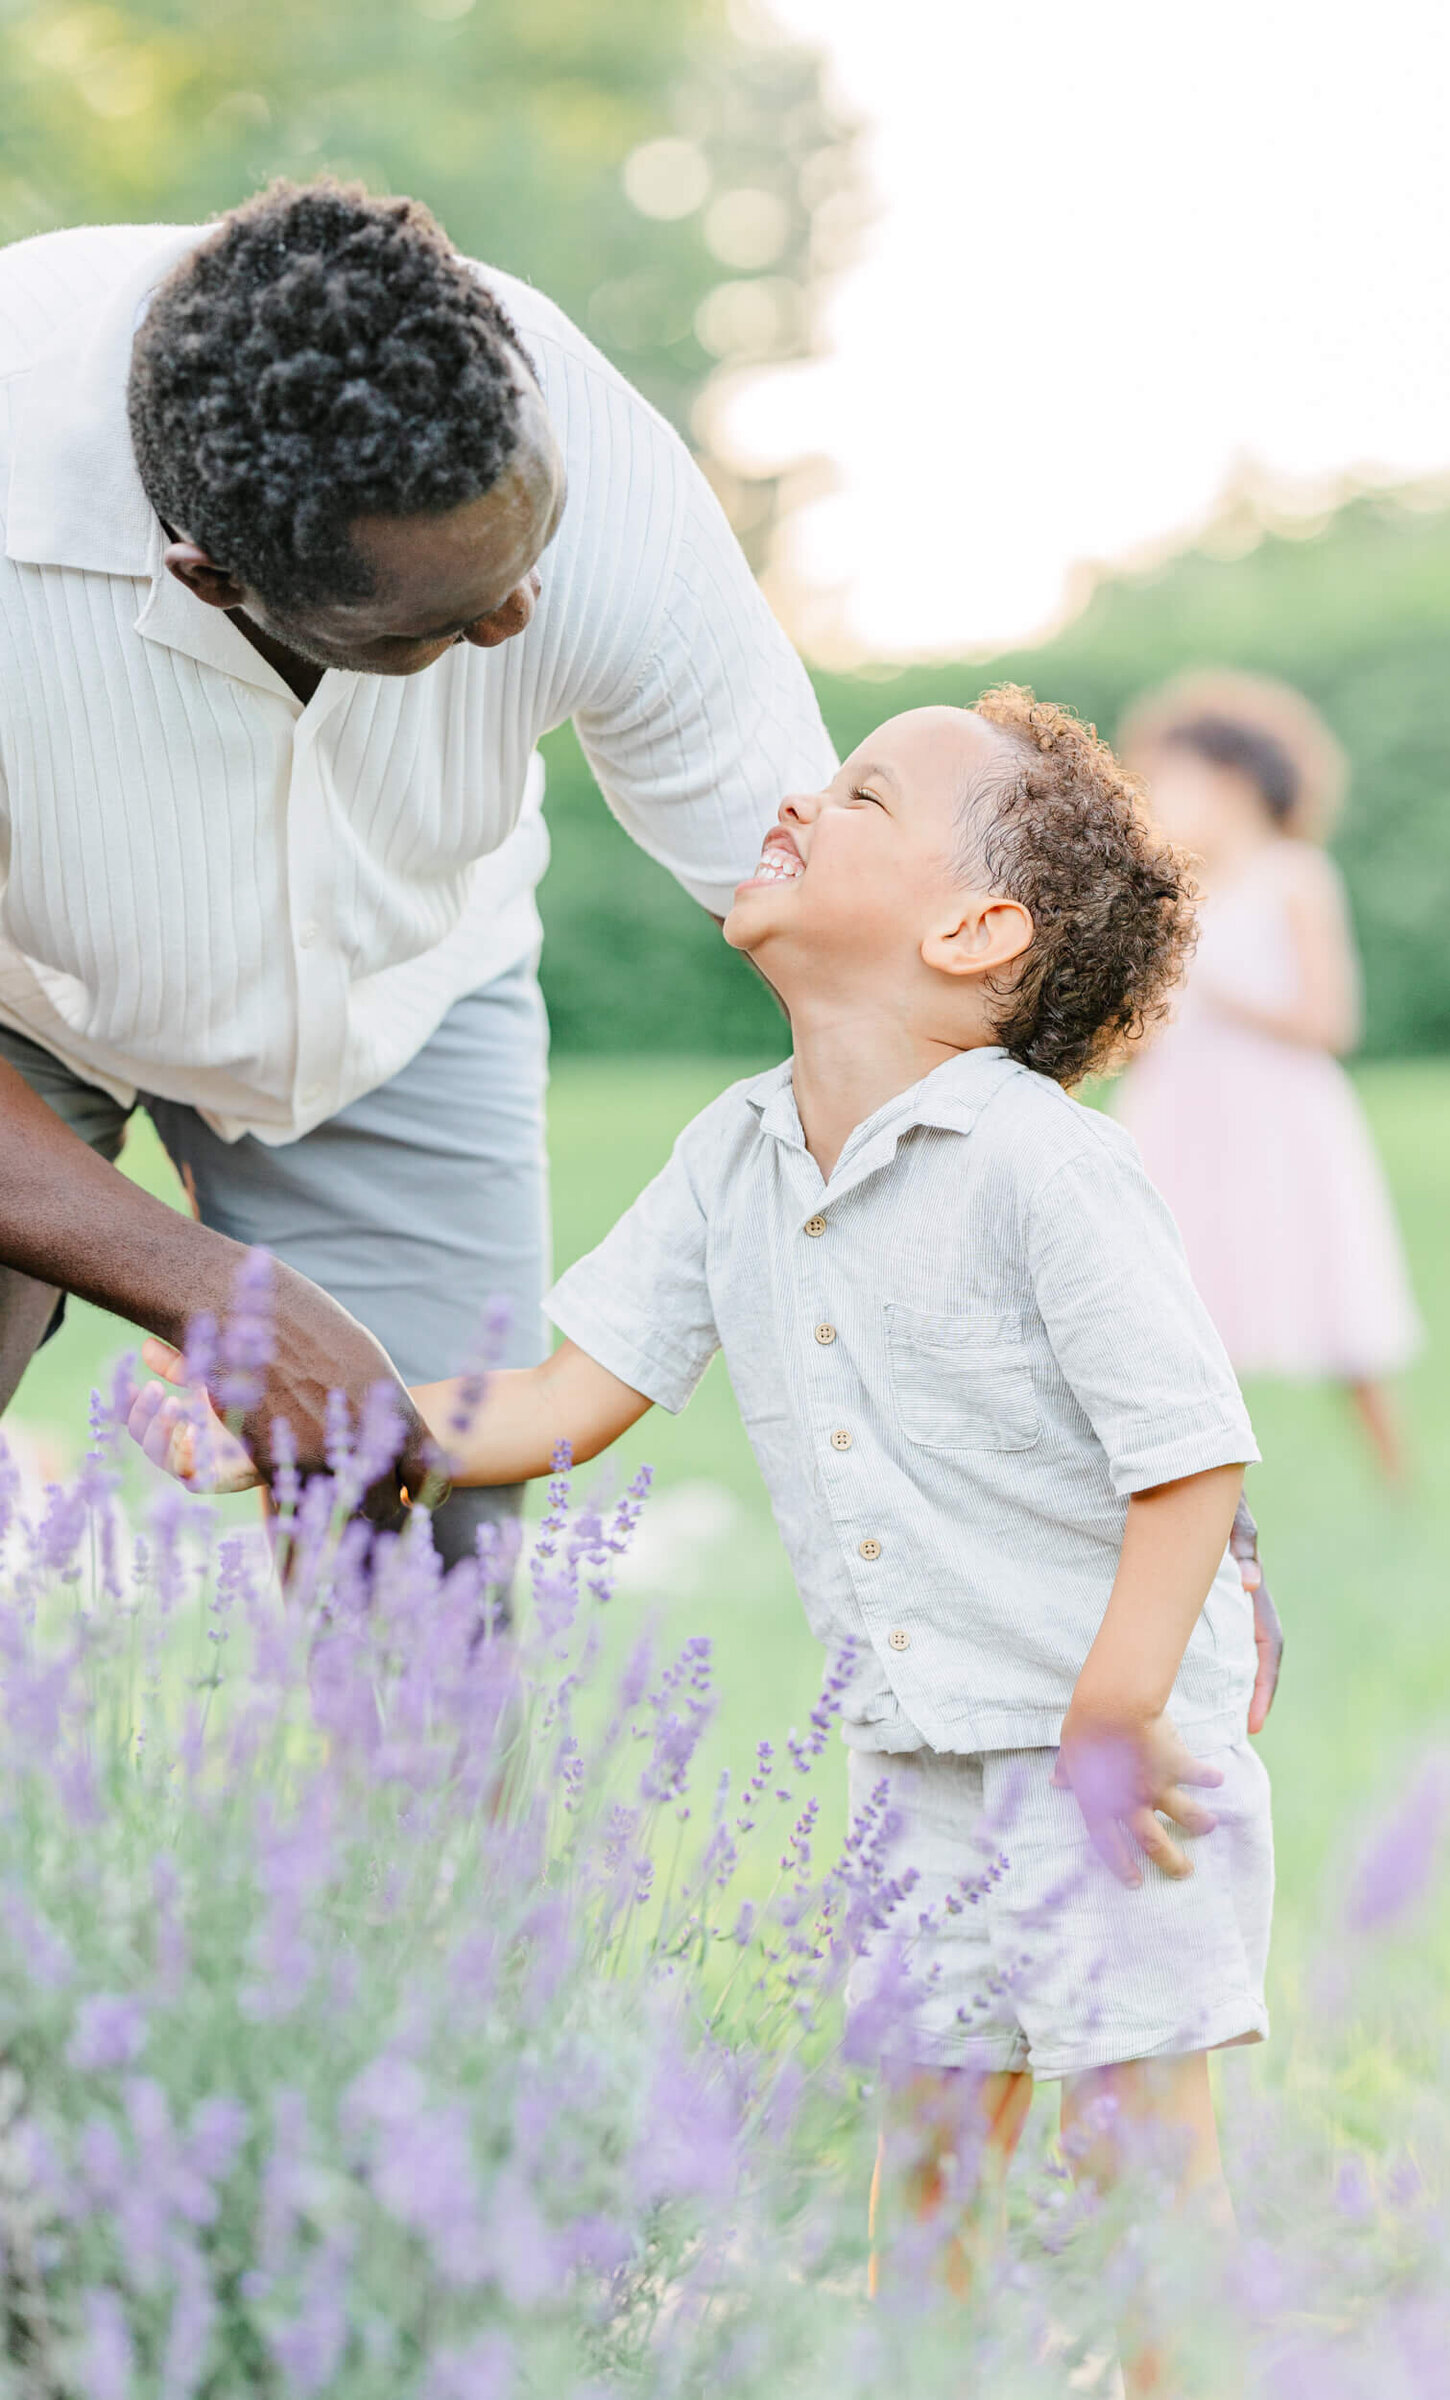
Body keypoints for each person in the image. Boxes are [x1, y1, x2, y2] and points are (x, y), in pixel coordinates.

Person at [132, 687, 1272, 2388]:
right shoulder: (736, 1152)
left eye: (865, 794)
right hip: (916, 1748)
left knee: (1132, 2156)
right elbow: (557, 1402)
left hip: (1105, 1753)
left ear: (977, 929)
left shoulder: (1046, 1171)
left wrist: (1120, 1704)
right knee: (935, 2143)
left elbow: (1189, 1460)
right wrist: (284, 1413)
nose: (802, 799)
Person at [0, 177, 835, 1557]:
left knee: (424, 1580)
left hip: (405, 993)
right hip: (18, 1003)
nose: (518, 617)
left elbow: (861, 944)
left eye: (531, 553)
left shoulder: (603, 472)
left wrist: (1106, 1391)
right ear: (214, 579)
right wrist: (217, 1295)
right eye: (434, 627)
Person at [1114, 673, 1422, 1484]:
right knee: (1185, 1290)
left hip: (1276, 1113)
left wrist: (1221, 990)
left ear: (1233, 784)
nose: (1155, 801)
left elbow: (1330, 1021)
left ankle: (1396, 1481)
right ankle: (1195, 1486)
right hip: (1182, 1112)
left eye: (1169, 783)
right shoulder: (1168, 892)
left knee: (1323, 1280)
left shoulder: (1295, 876)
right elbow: (1144, 1034)